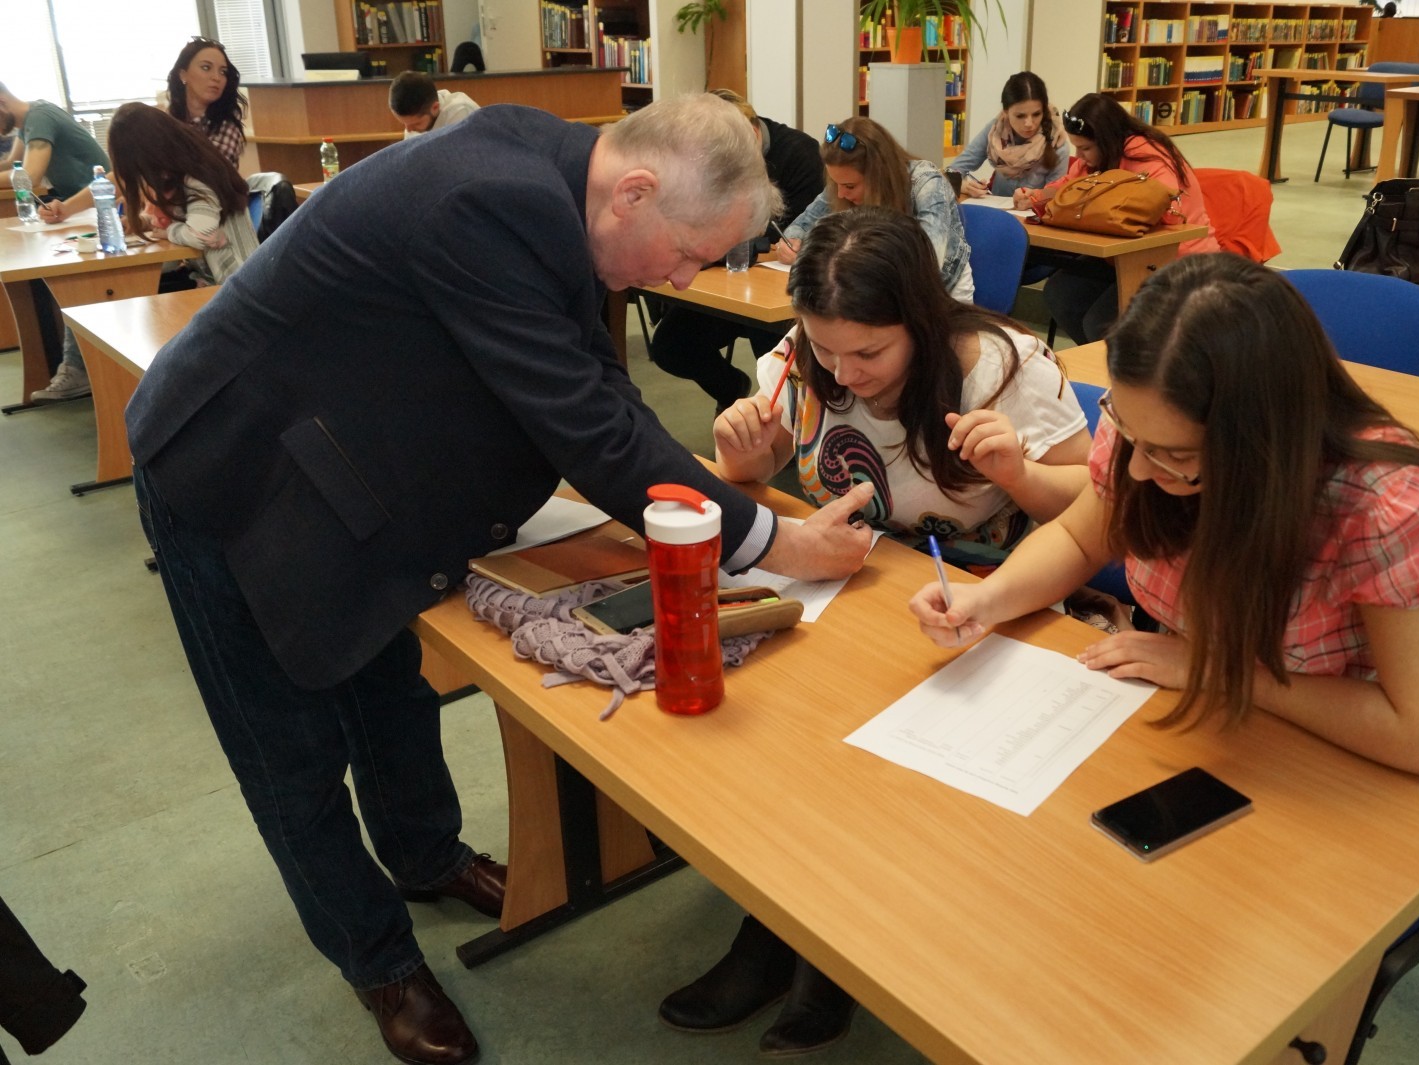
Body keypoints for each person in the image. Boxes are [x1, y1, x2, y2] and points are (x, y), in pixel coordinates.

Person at [125, 95, 876, 1065]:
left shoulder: (562, 176)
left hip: (339, 456)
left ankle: (424, 857)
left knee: (388, 687)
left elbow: (599, 385)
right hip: (228, 465)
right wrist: (777, 541)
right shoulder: (489, 202)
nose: (685, 279)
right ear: (634, 193)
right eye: (689, 252)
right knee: (290, 755)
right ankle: (378, 960)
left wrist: (718, 508)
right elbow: (589, 431)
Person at [663, 206, 1092, 1058]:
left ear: (921, 321)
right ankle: (782, 921)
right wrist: (742, 452)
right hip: (851, 584)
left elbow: (1095, 507)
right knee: (774, 723)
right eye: (826, 349)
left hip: (976, 599)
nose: (844, 372)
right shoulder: (807, 355)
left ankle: (821, 947)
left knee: (870, 745)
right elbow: (761, 470)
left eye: (868, 353)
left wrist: (1018, 472)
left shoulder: (1001, 367)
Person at [910, 253, 1419, 785]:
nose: (1135, 470)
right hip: (1203, 722)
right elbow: (1081, 539)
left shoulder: (1393, 511)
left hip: (1333, 761)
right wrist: (989, 600)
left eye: (1174, 455)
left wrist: (1218, 672)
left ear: (1259, 441)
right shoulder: (1149, 426)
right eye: (1128, 432)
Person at [647, 88, 825, 412]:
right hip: (730, 282)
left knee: (771, 354)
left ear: (752, 134)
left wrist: (724, 241)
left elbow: (789, 235)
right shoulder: (712, 156)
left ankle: (782, 424)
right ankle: (731, 389)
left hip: (774, 290)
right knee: (669, 346)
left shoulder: (801, 154)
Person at [1015, 92, 1220, 345]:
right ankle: (1099, 361)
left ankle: (1120, 364)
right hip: (1122, 256)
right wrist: (1036, 196)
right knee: (1060, 294)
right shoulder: (1099, 157)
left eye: (1085, 148)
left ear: (1107, 140)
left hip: (1175, 258)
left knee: (1101, 322)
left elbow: (1164, 208)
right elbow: (1070, 187)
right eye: (1076, 147)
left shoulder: (1148, 157)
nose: (1079, 155)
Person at [0, 80, 113, 402]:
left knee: (70, 269)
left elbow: (29, 177)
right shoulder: (28, 123)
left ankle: (76, 367)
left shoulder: (40, 117)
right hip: (75, 210)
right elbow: (11, 166)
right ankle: (67, 365)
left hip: (99, 209)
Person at [779, 116, 974, 302]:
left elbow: (927, 263)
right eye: (836, 184)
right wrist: (792, 244)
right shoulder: (843, 181)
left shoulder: (927, 184)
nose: (840, 194)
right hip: (877, 291)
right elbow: (799, 226)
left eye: (849, 186)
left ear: (878, 176)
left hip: (940, 294)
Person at [108, 102, 260, 285]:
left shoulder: (198, 177)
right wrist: (145, 222)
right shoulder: (176, 176)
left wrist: (167, 232)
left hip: (239, 284)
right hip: (212, 280)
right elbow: (176, 220)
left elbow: (202, 235)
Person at [944, 71, 1071, 199]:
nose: (1029, 123)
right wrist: (963, 185)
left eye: (1036, 114)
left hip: (1033, 212)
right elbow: (953, 170)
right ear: (1005, 113)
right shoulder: (995, 130)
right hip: (995, 208)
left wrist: (1035, 200)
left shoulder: (1057, 143)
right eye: (1020, 116)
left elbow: (1054, 199)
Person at [165, 36, 248, 168]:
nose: (216, 77)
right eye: (206, 68)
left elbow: (209, 171)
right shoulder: (167, 119)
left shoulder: (227, 121)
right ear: (183, 75)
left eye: (223, 72)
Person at [389, 71, 480, 136]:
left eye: (417, 124)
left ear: (435, 107)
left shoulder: (461, 113)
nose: (409, 130)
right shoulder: (412, 124)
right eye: (404, 123)